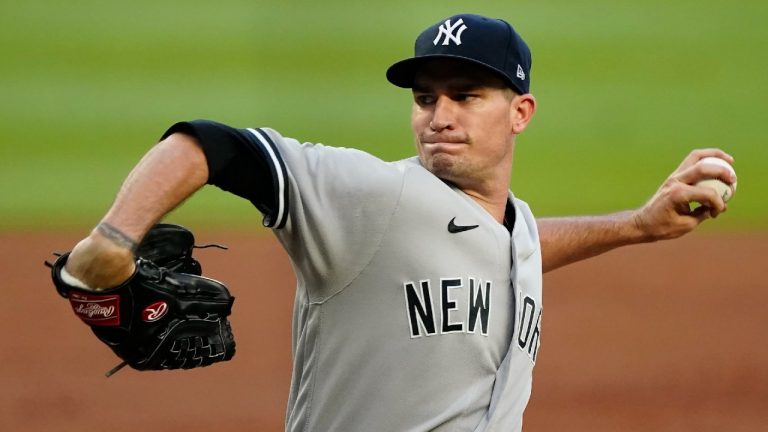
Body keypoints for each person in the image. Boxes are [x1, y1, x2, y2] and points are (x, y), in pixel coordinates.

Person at [58, 13, 735, 432]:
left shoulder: (510, 227)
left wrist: (637, 225)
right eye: (424, 97)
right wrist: (110, 245)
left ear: (520, 113)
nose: (438, 115)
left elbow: (511, 249)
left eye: (466, 96)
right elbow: (210, 144)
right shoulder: (370, 197)